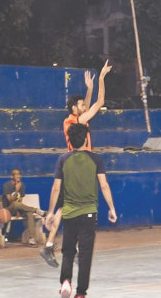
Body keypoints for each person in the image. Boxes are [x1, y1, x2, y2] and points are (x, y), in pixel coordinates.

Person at [40, 61, 112, 267]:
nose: (84, 107)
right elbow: (99, 103)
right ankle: (68, 248)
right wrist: (101, 80)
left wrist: (89, 90)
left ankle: (50, 245)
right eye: (81, 105)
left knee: (67, 206)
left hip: (74, 165)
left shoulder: (74, 119)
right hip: (79, 165)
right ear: (74, 108)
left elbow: (88, 106)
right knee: (80, 206)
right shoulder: (76, 122)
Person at [45, 123, 117, 298]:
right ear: (86, 139)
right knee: (85, 256)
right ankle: (80, 297)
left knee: (68, 252)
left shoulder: (63, 160)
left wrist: (51, 212)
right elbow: (104, 185)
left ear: (69, 140)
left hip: (68, 213)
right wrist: (111, 208)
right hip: (89, 213)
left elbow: (56, 188)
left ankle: (66, 282)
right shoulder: (96, 160)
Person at [2, 168, 46, 246]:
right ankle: (36, 210)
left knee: (29, 213)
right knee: (15, 204)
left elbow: (20, 201)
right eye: (16, 174)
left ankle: (31, 239)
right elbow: (11, 201)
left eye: (19, 174)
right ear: (12, 176)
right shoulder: (7, 185)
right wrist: (16, 190)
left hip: (18, 208)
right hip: (8, 209)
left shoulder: (22, 185)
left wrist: (19, 211)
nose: (18, 176)